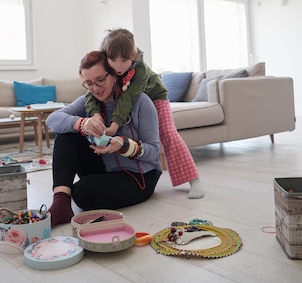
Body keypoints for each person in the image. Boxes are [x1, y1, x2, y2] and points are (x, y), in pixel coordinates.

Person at [45, 51, 163, 226]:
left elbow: (154, 152)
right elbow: (52, 120)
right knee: (66, 132)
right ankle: (60, 202)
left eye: (101, 80)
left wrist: (124, 145)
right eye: (89, 83)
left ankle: (73, 195)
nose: (96, 88)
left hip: (139, 177)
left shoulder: (140, 101)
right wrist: (82, 123)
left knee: (82, 193)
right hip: (105, 168)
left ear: (115, 74)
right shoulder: (89, 100)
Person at [84, 28, 204, 199]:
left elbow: (130, 97)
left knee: (168, 134)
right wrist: (96, 115)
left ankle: (194, 180)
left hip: (155, 98)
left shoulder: (139, 70)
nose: (118, 65)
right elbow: (90, 94)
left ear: (132, 56)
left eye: (124, 60)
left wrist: (114, 126)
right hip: (134, 103)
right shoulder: (106, 67)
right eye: (113, 59)